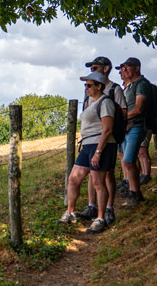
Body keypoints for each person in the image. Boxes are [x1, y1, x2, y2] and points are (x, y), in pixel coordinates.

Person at [58, 70, 118, 234]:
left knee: (98, 182)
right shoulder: (92, 102)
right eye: (85, 85)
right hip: (87, 145)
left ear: (99, 86)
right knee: (73, 179)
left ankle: (100, 219)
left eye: (90, 85)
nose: (86, 88)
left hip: (101, 145)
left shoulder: (105, 102)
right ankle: (70, 213)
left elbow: (107, 129)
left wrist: (99, 151)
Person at [76, 56, 125, 225]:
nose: (92, 71)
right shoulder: (90, 93)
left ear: (105, 69)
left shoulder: (115, 90)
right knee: (93, 175)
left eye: (95, 68)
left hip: (107, 139)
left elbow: (122, 114)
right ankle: (92, 206)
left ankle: (108, 208)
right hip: (91, 139)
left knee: (108, 175)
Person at [116, 57, 150, 207]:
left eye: (127, 67)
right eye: (123, 68)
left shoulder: (141, 84)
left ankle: (134, 194)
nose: (124, 70)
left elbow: (139, 109)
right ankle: (134, 193)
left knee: (128, 161)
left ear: (136, 68)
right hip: (128, 128)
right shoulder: (130, 86)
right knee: (128, 161)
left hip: (136, 126)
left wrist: (121, 119)